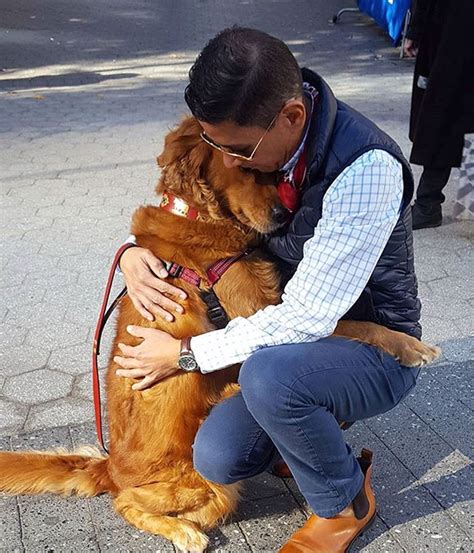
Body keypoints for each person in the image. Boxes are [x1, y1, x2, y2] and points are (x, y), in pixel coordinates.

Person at [114, 27, 422, 552]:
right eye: (214, 144)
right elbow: (194, 203)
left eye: (236, 148)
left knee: (271, 373)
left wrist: (186, 355)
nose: (228, 161)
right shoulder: (256, 142)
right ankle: (300, 430)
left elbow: (305, 319)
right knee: (218, 458)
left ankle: (345, 502)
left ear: (293, 117)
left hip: (370, 345)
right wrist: (132, 250)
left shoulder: (365, 167)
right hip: (286, 337)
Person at [404, 0, 474, 229]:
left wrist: (416, 30)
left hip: (453, 27)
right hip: (452, 25)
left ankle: (430, 202)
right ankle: (444, 200)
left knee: (445, 110)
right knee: (451, 110)